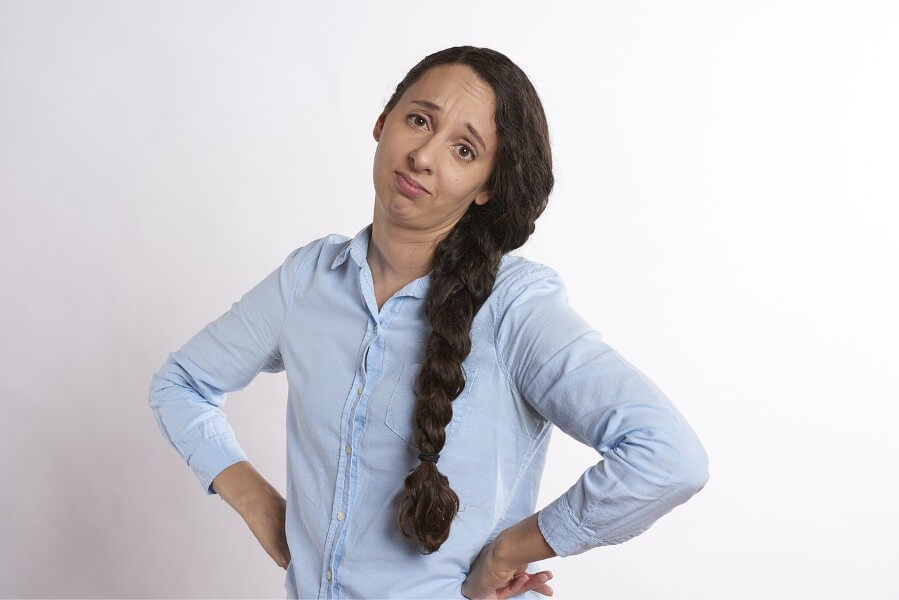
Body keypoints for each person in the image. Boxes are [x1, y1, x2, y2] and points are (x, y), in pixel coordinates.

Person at [148, 45, 710, 600]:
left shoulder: (515, 310)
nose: (423, 156)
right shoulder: (309, 281)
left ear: (487, 187)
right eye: (419, 120)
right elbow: (181, 384)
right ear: (382, 121)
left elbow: (667, 456)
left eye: (464, 150)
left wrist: (509, 551)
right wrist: (256, 502)